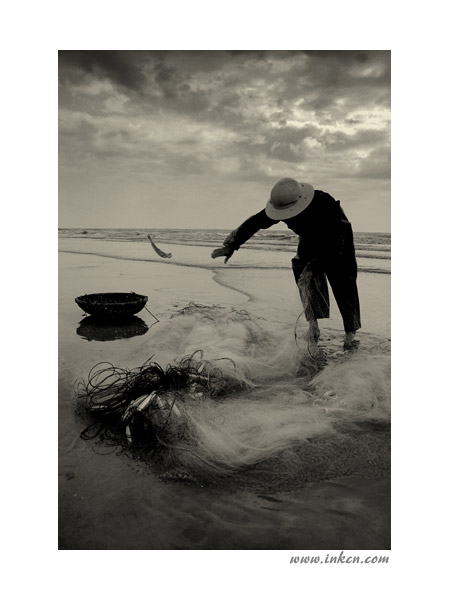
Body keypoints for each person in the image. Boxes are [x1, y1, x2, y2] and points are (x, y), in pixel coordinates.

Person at [211, 178, 361, 352]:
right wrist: (231, 245)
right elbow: (255, 222)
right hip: (309, 239)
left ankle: (350, 334)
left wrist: (315, 266)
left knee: (343, 280)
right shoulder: (282, 203)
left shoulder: (324, 204)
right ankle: (314, 327)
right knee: (301, 270)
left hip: (338, 239)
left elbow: (335, 243)